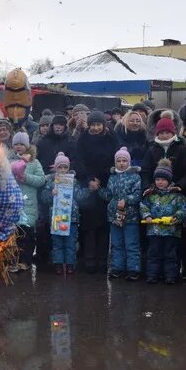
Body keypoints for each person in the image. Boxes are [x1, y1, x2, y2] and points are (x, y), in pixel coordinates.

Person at [73, 110, 117, 273]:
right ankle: (89, 259)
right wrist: (89, 179)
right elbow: (78, 161)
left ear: (103, 125)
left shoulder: (111, 139)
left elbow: (115, 160)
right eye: (93, 125)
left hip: (104, 185)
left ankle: (102, 259)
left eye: (98, 124)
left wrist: (100, 178)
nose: (96, 128)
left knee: (104, 226)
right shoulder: (82, 139)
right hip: (88, 185)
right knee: (89, 226)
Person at [140, 159, 186, 285]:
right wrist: (147, 216)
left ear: (169, 180)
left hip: (171, 231)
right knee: (153, 254)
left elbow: (184, 207)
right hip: (154, 231)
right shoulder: (150, 194)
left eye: (163, 180)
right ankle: (152, 275)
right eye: (157, 180)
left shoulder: (176, 195)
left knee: (170, 255)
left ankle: (170, 275)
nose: (160, 182)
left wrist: (177, 217)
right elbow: (143, 205)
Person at [39, 152, 84, 275]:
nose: (63, 170)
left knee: (71, 243)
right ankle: (58, 264)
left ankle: (70, 265)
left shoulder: (74, 181)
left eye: (65, 167)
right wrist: (51, 194)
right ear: (56, 168)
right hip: (57, 217)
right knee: (57, 243)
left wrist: (89, 191)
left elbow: (79, 196)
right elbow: (43, 197)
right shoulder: (51, 182)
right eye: (60, 167)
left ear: (69, 168)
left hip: (71, 217)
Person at [7, 132, 45, 273]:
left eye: (22, 144)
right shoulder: (8, 161)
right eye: (16, 144)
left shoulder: (34, 162)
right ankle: (13, 260)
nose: (19, 147)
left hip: (28, 205)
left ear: (27, 146)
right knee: (13, 235)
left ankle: (26, 260)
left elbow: (41, 180)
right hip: (12, 203)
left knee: (27, 235)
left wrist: (25, 177)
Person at [105, 147, 142, 280]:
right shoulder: (112, 178)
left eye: (124, 161)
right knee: (116, 243)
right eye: (119, 161)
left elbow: (138, 195)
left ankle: (133, 269)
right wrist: (98, 190)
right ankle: (117, 268)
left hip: (131, 216)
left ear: (129, 162)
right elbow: (108, 195)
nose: (121, 163)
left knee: (131, 244)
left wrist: (126, 200)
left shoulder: (135, 177)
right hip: (115, 216)